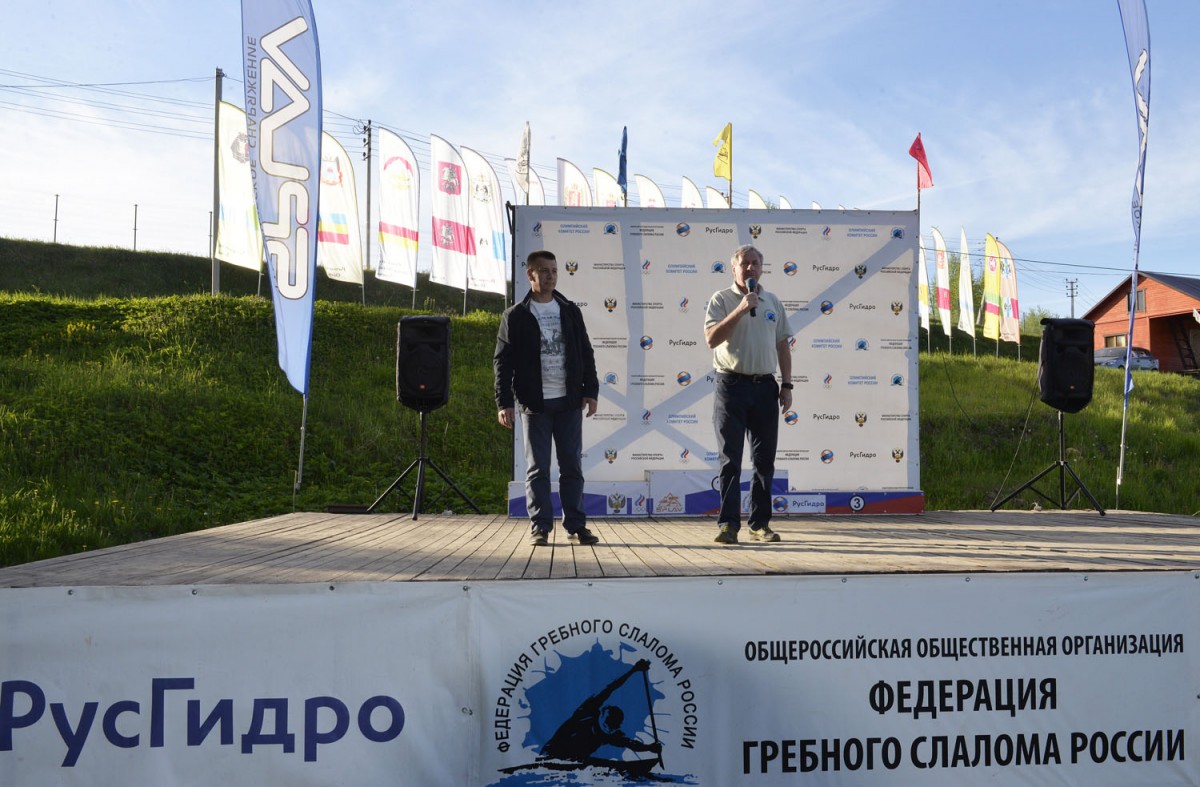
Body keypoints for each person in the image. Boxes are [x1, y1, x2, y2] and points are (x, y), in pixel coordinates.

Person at [495, 250, 600, 547]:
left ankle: (576, 525)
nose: (550, 276)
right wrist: (504, 402)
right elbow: (503, 362)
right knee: (538, 469)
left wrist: (590, 391)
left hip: (569, 402)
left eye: (554, 270)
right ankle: (540, 526)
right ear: (530, 274)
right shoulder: (515, 315)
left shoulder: (570, 310)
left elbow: (586, 352)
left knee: (571, 467)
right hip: (535, 404)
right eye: (544, 271)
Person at [703, 244, 793, 545]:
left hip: (765, 387)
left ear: (762, 268)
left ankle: (759, 524)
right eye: (745, 263)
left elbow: (782, 345)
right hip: (731, 386)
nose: (751, 268)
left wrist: (787, 385)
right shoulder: (721, 299)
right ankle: (728, 525)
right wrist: (741, 308)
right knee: (730, 460)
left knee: (764, 461)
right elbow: (711, 338)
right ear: (734, 268)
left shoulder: (772, 301)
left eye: (755, 263)